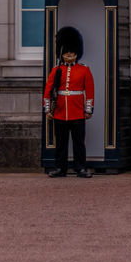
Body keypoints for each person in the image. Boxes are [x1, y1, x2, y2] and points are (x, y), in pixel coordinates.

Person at [44, 26, 94, 177]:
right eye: (66, 53)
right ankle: (60, 168)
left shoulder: (84, 70)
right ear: (62, 53)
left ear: (76, 53)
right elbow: (48, 91)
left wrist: (88, 109)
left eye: (72, 52)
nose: (69, 55)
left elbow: (89, 91)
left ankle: (81, 168)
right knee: (61, 144)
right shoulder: (56, 70)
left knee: (79, 143)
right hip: (59, 112)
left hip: (77, 111)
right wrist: (48, 109)